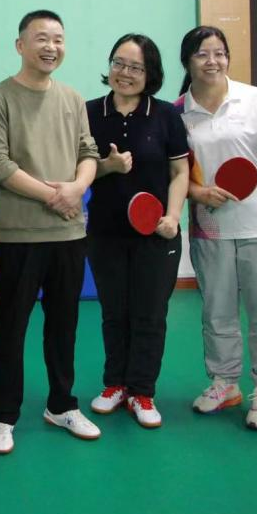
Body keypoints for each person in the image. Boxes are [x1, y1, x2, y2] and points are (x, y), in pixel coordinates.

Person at [0, 9, 101, 453]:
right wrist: (55, 195)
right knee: (9, 329)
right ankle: (2, 415)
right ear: (20, 45)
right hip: (20, 236)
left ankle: (62, 405)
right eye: (41, 38)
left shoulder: (72, 98)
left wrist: (78, 188)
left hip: (69, 236)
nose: (51, 47)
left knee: (64, 327)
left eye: (58, 39)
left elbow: (88, 152)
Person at [176, 26, 257, 431]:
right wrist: (198, 192)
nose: (212, 61)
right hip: (210, 227)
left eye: (219, 53)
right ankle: (224, 382)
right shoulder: (177, 111)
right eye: (202, 54)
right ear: (187, 61)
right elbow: (175, 175)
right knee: (217, 312)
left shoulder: (255, 99)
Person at [84, 34, 189, 429]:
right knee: (114, 312)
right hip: (105, 233)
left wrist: (173, 216)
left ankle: (142, 391)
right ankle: (115, 384)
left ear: (150, 73)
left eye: (135, 67)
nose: (125, 73)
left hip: (156, 234)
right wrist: (107, 167)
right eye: (119, 63)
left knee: (149, 314)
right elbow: (78, 170)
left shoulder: (165, 115)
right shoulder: (89, 112)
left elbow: (179, 171)